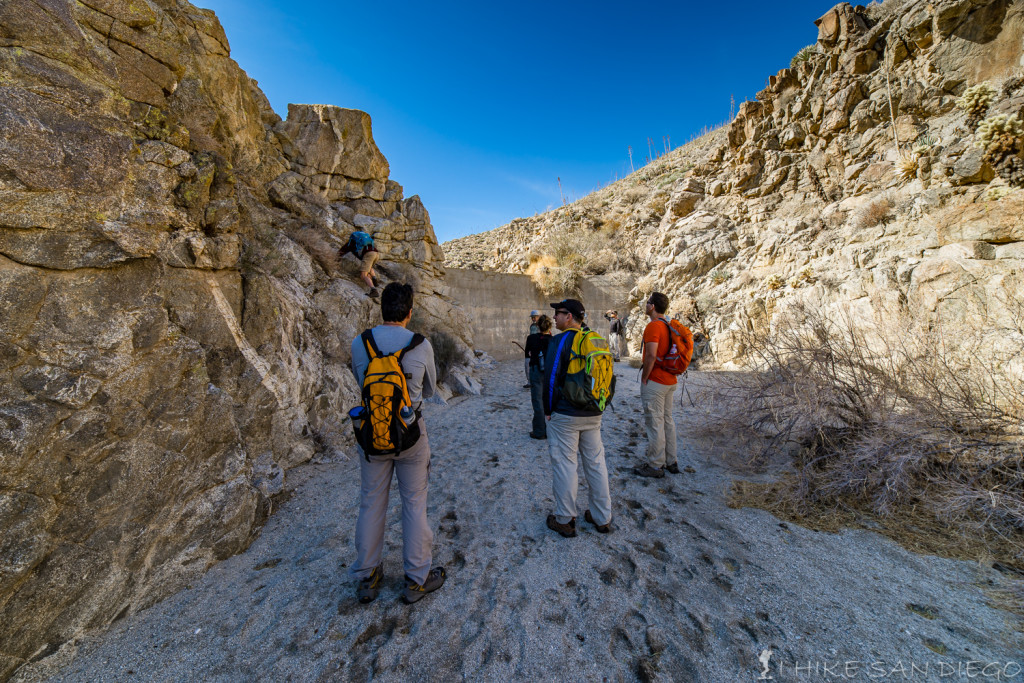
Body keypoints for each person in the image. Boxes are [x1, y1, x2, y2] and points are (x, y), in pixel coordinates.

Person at [349, 282, 446, 604]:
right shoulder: (421, 344)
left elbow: (361, 383)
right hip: (410, 435)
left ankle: (367, 576)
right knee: (414, 504)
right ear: (409, 311)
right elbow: (430, 391)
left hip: (371, 435)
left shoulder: (359, 343)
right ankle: (417, 579)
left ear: (381, 309)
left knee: (370, 502)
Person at [542, 298, 613, 537]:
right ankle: (602, 517)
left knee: (565, 465)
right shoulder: (595, 339)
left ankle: (564, 519)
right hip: (594, 411)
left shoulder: (559, 340)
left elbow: (551, 379)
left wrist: (547, 409)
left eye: (558, 314)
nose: (554, 317)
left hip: (566, 414)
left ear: (569, 317)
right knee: (596, 464)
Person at [635, 291, 680, 478]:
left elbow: (651, 355)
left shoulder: (653, 327)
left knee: (655, 422)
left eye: (647, 303)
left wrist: (645, 377)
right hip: (670, 380)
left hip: (656, 382)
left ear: (652, 307)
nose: (645, 305)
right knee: (668, 420)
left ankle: (655, 465)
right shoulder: (669, 325)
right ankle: (672, 461)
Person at [524, 314, 553, 439]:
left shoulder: (531, 338)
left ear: (538, 326)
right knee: (551, 401)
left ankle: (540, 431)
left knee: (537, 401)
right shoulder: (553, 340)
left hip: (536, 371)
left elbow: (527, 354)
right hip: (550, 373)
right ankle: (552, 430)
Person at [339, 230, 380, 298]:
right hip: (376, 253)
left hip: (369, 254)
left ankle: (374, 291)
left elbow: (341, 252)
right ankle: (374, 280)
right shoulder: (366, 243)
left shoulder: (351, 243)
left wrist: (335, 259)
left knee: (363, 275)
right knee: (368, 267)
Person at [523, 310, 542, 388]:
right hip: (530, 347)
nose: (533, 319)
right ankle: (529, 381)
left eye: (535, 317)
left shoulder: (541, 326)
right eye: (532, 317)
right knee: (527, 365)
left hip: (537, 349)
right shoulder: (532, 326)